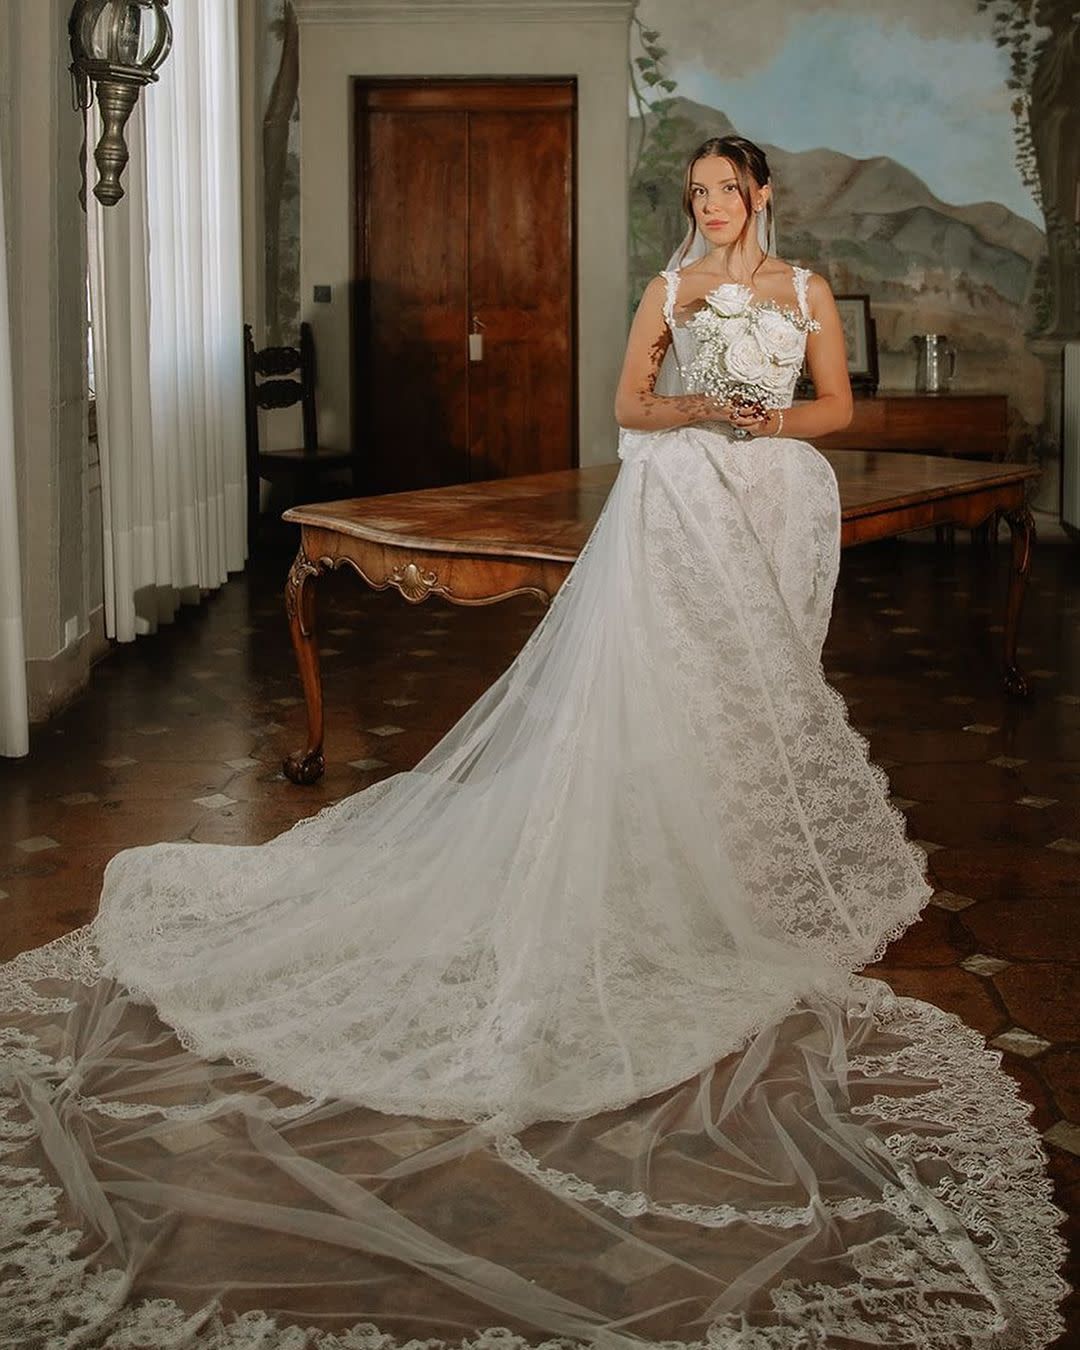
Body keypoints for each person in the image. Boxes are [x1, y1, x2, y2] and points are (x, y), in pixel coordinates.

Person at [0, 136, 1067, 1348]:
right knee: (685, 682)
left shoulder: (807, 290)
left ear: (763, 197)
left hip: (780, 499)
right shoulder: (665, 291)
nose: (713, 209)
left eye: (729, 192)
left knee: (765, 684)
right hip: (682, 502)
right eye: (699, 195)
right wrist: (698, 409)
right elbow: (625, 407)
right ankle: (668, 865)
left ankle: (740, 854)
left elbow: (839, 405)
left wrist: (770, 429)